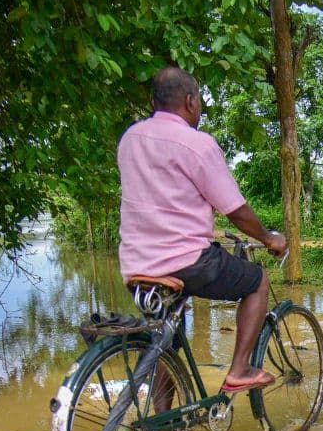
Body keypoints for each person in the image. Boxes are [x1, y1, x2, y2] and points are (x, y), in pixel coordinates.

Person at [117, 66, 285, 403]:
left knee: (165, 333)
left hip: (137, 264)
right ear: (191, 102)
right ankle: (241, 370)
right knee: (257, 281)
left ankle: (164, 428)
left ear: (154, 102)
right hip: (188, 261)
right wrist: (269, 238)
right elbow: (234, 209)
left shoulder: (130, 139)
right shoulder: (196, 144)